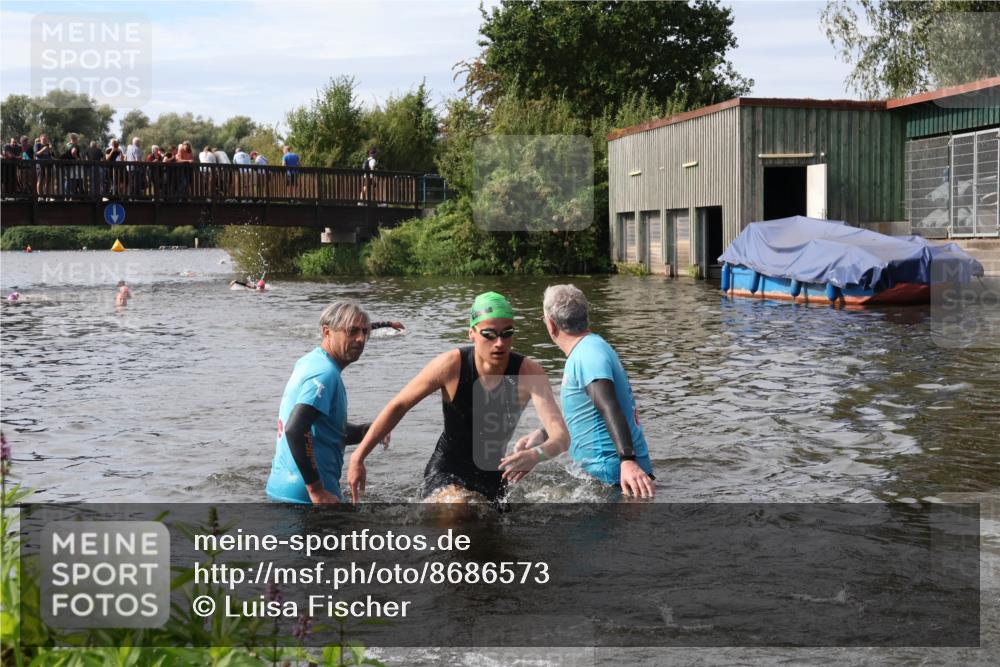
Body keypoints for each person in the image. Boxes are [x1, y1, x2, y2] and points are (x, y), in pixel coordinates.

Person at [347, 291, 568, 507]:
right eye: (489, 334)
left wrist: (536, 455)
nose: (499, 342)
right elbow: (399, 405)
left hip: (492, 475)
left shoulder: (529, 373)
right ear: (471, 333)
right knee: (456, 506)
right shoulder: (451, 365)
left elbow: (560, 436)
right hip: (447, 469)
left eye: (507, 333)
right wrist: (358, 457)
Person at [503, 284, 655, 498]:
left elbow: (608, 405)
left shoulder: (587, 355)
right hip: (608, 477)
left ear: (550, 325)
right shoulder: (588, 350)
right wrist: (542, 434)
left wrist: (628, 460)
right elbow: (585, 411)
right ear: (586, 317)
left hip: (616, 479)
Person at [265, 300, 390, 504]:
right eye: (351, 331)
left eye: (364, 332)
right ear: (327, 332)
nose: (360, 339)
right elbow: (295, 430)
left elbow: (326, 430)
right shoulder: (325, 374)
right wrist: (316, 490)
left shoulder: (311, 361)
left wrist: (368, 431)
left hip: (283, 489)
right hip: (306, 499)